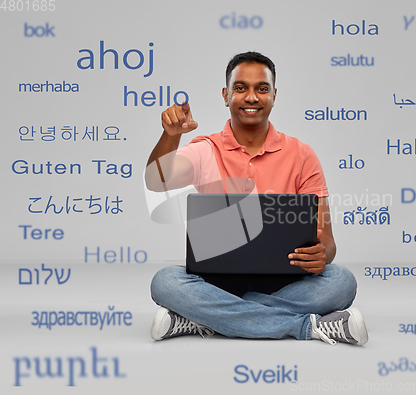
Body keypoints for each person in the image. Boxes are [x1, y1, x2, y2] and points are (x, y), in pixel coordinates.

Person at [144, 52, 368, 346]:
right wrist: (170, 135)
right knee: (165, 282)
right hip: (217, 280)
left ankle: (205, 318)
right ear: (226, 95)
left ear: (274, 96)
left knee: (341, 282)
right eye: (240, 88)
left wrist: (322, 255)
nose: (251, 97)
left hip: (284, 280)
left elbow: (327, 242)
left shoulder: (302, 155)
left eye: (262, 89)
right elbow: (157, 181)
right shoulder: (204, 150)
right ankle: (307, 327)